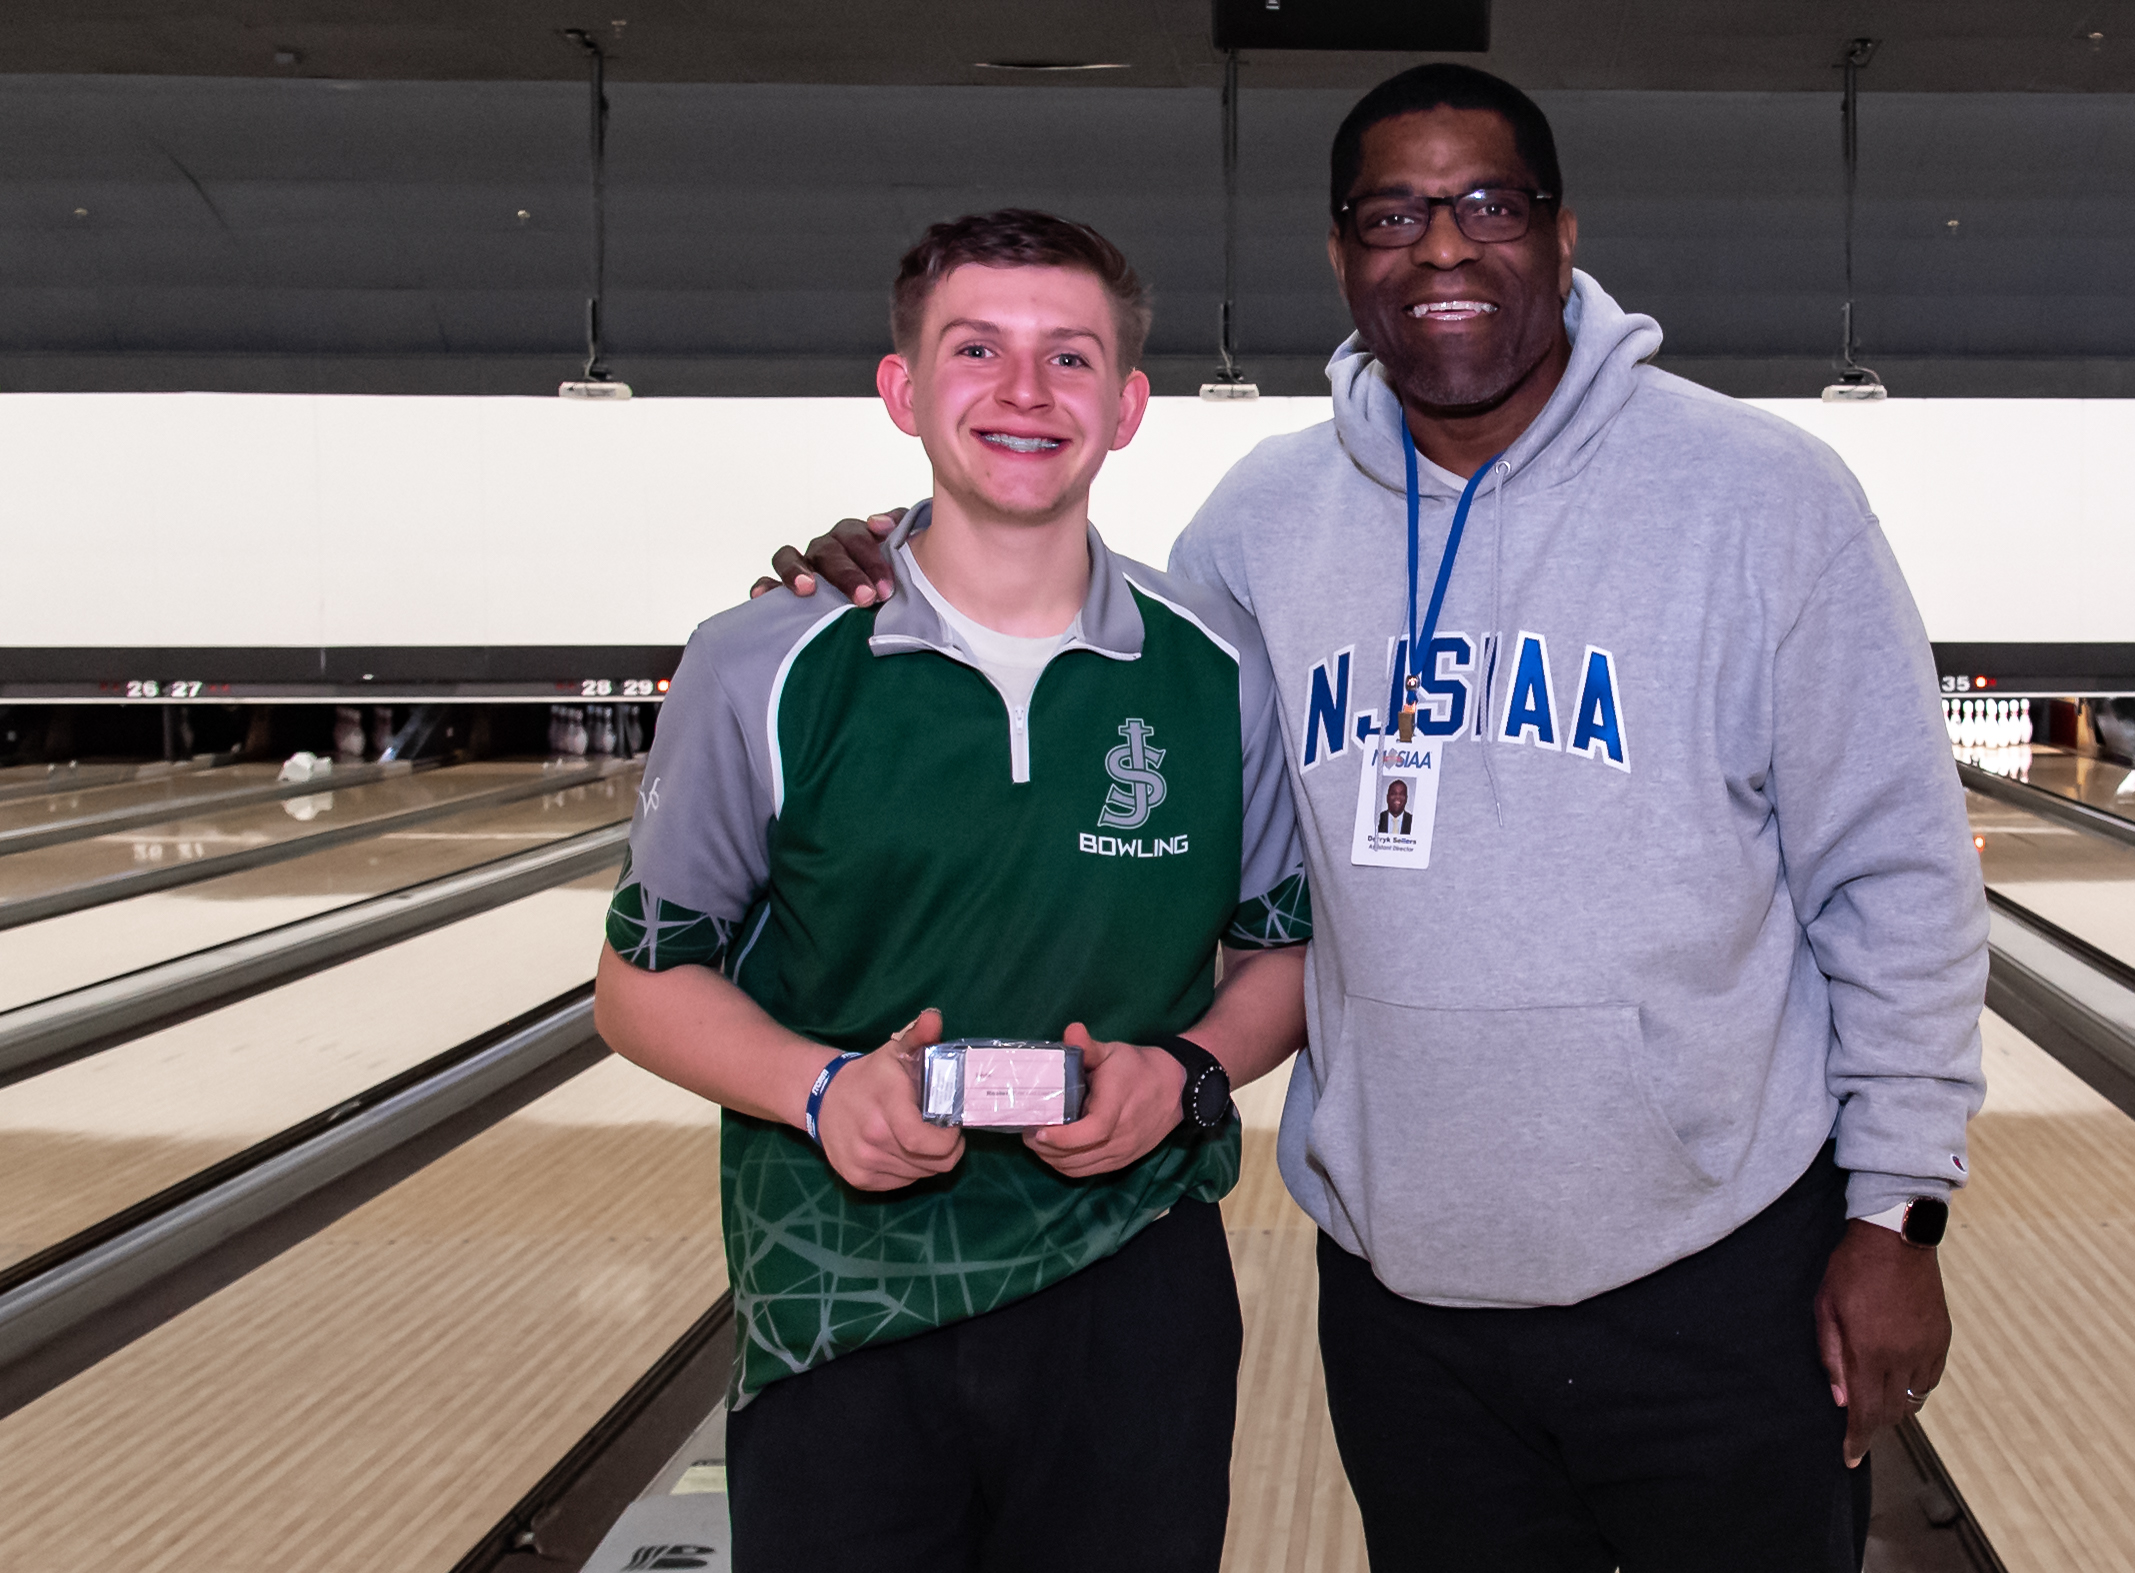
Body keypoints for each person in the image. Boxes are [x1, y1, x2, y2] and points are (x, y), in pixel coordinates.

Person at [765, 65, 1986, 1573]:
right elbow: (1078, 654)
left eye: (1488, 204)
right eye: (1395, 214)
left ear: (1560, 229)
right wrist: (884, 570)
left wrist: (1900, 1213)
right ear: (1345, 256)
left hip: (1719, 1275)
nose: (1445, 249)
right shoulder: (1264, 525)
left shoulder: (1764, 499)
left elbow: (1902, 880)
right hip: (1406, 1302)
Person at [598, 208, 1313, 1573]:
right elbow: (636, 984)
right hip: (839, 1297)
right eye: (977, 349)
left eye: (1072, 357)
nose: (1027, 392)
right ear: (905, 389)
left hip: (1133, 1282)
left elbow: (1282, 955)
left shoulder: (1218, 664)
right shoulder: (763, 660)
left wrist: (1188, 1070)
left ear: (1129, 405)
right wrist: (820, 1088)